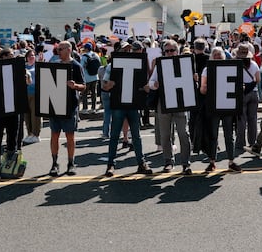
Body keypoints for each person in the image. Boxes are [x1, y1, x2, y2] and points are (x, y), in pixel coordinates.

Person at [102, 43, 153, 177]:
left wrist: (146, 88)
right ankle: (111, 165)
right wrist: (109, 85)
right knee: (114, 136)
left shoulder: (139, 65)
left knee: (136, 136)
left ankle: (141, 163)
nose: (129, 51)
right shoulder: (112, 65)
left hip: (133, 105)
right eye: (126, 49)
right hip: (119, 105)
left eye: (131, 49)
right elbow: (104, 85)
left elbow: (145, 84)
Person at [147, 39, 193, 174]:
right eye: (166, 51)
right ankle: (168, 161)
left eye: (172, 50)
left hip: (180, 103)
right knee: (165, 135)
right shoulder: (160, 65)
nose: (169, 53)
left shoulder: (184, 64)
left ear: (177, 51)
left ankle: (186, 163)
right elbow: (151, 82)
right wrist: (154, 85)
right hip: (164, 103)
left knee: (183, 133)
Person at [0, 48, 27, 180]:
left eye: (13, 55)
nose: (12, 57)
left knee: (12, 141)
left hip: (13, 111)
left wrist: (26, 77)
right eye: (10, 56)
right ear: (3, 57)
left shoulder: (17, 69)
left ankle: (9, 166)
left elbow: (27, 83)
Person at [46, 41, 86, 176]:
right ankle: (54, 164)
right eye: (57, 49)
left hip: (70, 106)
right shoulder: (55, 65)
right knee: (54, 135)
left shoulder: (76, 65)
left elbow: (84, 86)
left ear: (68, 50)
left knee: (70, 135)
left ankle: (71, 163)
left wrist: (75, 86)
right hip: (55, 104)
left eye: (60, 49)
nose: (58, 52)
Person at [199, 47, 241, 173]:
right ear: (212, 56)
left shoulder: (230, 68)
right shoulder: (207, 70)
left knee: (229, 134)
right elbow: (202, 90)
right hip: (214, 106)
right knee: (213, 134)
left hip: (227, 105)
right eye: (215, 55)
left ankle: (231, 161)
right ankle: (212, 161)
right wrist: (206, 87)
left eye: (219, 54)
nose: (217, 57)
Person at [234, 42, 260, 153]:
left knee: (241, 120)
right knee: (253, 119)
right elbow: (258, 79)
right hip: (253, 92)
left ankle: (240, 143)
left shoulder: (235, 64)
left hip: (241, 93)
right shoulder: (254, 64)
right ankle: (252, 141)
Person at [23, 49, 42, 144]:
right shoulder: (24, 66)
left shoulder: (38, 66)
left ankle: (36, 134)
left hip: (35, 92)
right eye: (30, 55)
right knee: (27, 115)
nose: (31, 57)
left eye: (33, 55)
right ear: (26, 57)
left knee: (35, 114)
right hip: (25, 93)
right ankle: (29, 133)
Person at [80, 42, 100, 113]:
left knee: (84, 93)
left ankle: (85, 109)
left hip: (87, 77)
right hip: (95, 77)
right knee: (94, 93)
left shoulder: (84, 56)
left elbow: (81, 67)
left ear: (86, 49)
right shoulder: (96, 55)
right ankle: (93, 108)